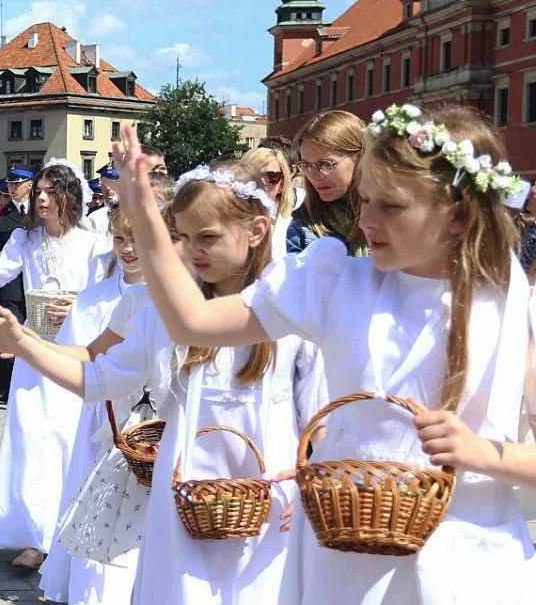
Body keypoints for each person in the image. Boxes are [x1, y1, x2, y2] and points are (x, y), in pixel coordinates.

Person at [102, 109, 529, 603]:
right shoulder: (334, 282)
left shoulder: (507, 304)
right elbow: (192, 321)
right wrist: (144, 214)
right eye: (364, 200)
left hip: (466, 560)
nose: (367, 220)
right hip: (344, 560)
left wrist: (484, 454)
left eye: (390, 206)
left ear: (456, 213)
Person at [0, 160, 320, 604]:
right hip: (183, 496)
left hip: (272, 502)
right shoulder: (156, 309)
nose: (193, 252)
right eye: (184, 238)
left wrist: (305, 482)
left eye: (206, 238)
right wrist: (24, 343)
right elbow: (98, 377)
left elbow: (319, 415)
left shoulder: (292, 309)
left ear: (258, 231)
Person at [36, 185, 174, 605]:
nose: (128, 248)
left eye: (138, 239)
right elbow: (87, 355)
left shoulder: (174, 297)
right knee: (105, 517)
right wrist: (30, 344)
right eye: (120, 239)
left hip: (157, 422)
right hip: (108, 418)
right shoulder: (100, 298)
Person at [0, 161, 101, 570]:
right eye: (38, 191)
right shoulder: (24, 241)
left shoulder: (93, 243)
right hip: (33, 346)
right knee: (32, 439)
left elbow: (111, 295)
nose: (41, 198)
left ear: (69, 196)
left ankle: (67, 534)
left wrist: (81, 305)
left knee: (67, 440)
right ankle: (35, 536)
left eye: (49, 191)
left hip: (75, 351)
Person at [286, 110, 370, 255]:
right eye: (306, 165)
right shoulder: (303, 225)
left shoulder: (393, 215)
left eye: (325, 164)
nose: (313, 177)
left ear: (360, 157)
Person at [0, 165, 32, 403]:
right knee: (9, 341)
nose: (12, 188)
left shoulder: (40, 214)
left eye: (17, 183)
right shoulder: (0, 217)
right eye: (10, 184)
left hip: (34, 287)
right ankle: (9, 387)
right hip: (9, 288)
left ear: (30, 185)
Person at [240, 147, 295, 259]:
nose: (262, 182)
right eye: (254, 176)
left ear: (282, 184)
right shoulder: (227, 221)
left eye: (272, 176)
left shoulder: (295, 227)